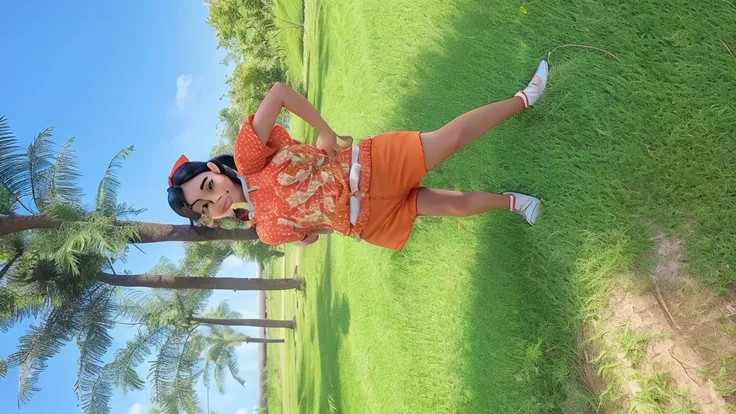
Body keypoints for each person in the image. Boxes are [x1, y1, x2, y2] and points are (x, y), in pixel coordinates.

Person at [167, 60, 548, 251]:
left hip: (370, 168)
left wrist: (325, 132)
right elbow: (314, 232)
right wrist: (301, 231)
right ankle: (517, 204)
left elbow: (280, 92)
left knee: (452, 138)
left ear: (215, 169)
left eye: (207, 185)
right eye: (204, 207)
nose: (215, 198)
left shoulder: (247, 158)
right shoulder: (265, 232)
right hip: (369, 221)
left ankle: (524, 99)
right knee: (458, 205)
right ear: (210, 218)